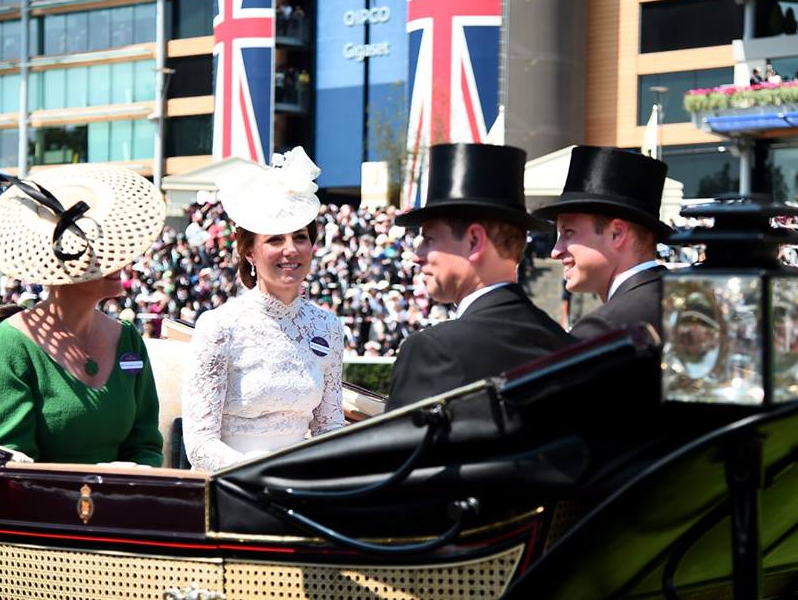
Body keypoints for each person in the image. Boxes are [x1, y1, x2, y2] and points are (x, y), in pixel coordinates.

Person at [0, 165, 166, 466]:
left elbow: (146, 446)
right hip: (43, 497)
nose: (119, 256)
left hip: (124, 495)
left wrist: (132, 477)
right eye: (98, 245)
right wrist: (93, 483)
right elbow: (9, 465)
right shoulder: (8, 344)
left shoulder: (128, 339)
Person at [182, 147, 344, 471]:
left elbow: (330, 427)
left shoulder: (328, 327)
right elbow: (199, 445)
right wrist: (261, 473)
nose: (290, 250)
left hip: (303, 484)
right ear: (250, 253)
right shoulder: (219, 326)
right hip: (236, 484)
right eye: (275, 240)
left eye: (300, 237)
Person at [385, 143, 572, 411]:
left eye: (429, 239)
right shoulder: (565, 345)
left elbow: (399, 439)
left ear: (474, 241)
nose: (417, 255)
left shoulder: (434, 349)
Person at [534, 146, 673, 339]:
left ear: (617, 234)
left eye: (568, 232)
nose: (555, 252)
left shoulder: (602, 330)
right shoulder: (684, 300)